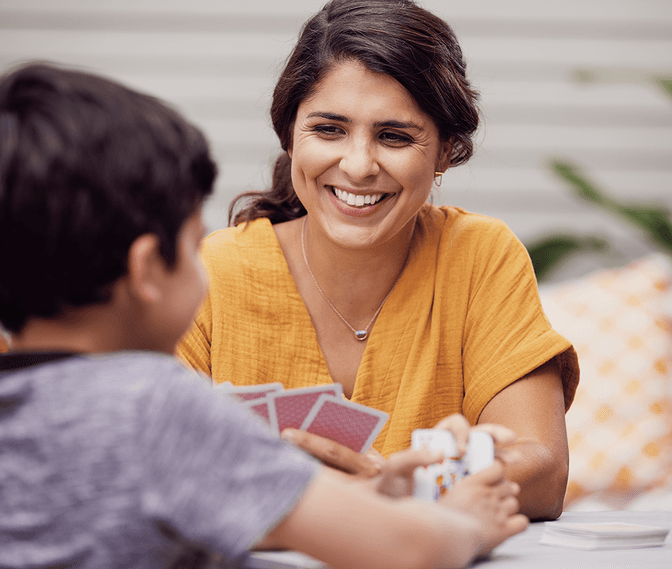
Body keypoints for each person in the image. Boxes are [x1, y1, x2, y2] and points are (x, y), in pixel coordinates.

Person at [0, 61, 528, 569]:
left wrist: (371, 492)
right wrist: (467, 523)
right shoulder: (158, 405)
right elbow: (409, 550)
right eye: (190, 245)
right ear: (146, 271)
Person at [177, 0, 580, 521]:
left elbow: (543, 472)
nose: (358, 165)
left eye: (393, 136)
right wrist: (373, 499)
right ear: (289, 135)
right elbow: (155, 472)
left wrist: (399, 492)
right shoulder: (214, 271)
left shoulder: (481, 256)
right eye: (328, 130)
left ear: (444, 152)